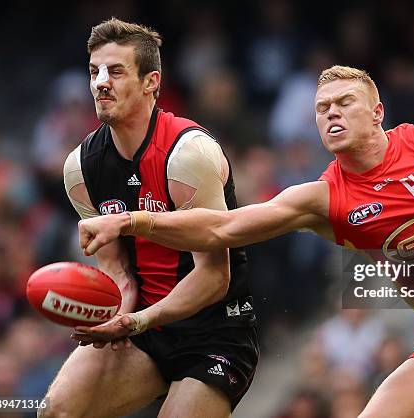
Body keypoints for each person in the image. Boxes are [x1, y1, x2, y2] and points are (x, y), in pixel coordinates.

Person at [76, 65, 414, 417]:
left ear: (377, 112)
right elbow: (221, 227)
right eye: (322, 108)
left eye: (345, 102)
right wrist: (129, 223)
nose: (331, 113)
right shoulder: (321, 198)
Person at [41, 18, 259, 418]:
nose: (100, 83)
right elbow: (118, 273)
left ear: (151, 82)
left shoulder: (188, 154)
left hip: (215, 333)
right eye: (94, 72)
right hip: (145, 330)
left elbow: (215, 278)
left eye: (116, 71)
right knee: (56, 410)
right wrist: (117, 311)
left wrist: (137, 321)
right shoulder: (80, 169)